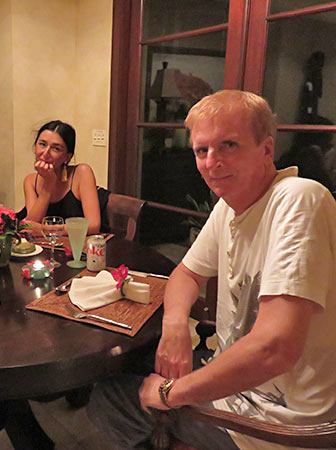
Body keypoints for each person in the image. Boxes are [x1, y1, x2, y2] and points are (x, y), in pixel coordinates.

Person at [87, 90, 336, 450]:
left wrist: (170, 393)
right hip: (239, 388)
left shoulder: (298, 199)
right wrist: (175, 327)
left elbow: (275, 348)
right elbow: (186, 275)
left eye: (228, 145)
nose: (212, 162)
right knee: (131, 363)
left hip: (277, 424)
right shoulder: (230, 205)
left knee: (110, 399)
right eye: (202, 150)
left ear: (266, 150)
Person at [21, 120, 103, 235]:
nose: (45, 153)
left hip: (79, 247)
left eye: (56, 148)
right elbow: (31, 226)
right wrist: (47, 187)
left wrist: (47, 230)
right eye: (42, 144)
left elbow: (93, 226)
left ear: (67, 157)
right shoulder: (30, 181)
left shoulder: (82, 172)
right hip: (47, 248)